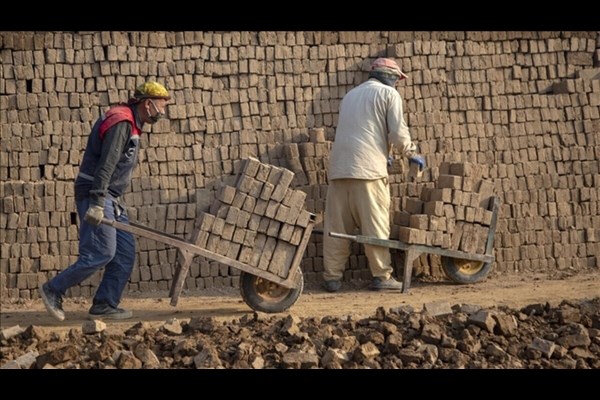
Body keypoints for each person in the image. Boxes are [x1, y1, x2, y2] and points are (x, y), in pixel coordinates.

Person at [39, 81, 171, 321]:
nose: (162, 112)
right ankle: (54, 288)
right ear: (147, 103)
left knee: (124, 252)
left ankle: (104, 303)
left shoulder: (132, 123)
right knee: (101, 253)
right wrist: (98, 203)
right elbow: (107, 164)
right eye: (161, 106)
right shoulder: (122, 123)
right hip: (96, 192)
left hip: (112, 197)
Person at [322, 58, 425, 292]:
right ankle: (381, 276)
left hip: (339, 170)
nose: (398, 84)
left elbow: (363, 129)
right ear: (390, 76)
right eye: (397, 80)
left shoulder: (350, 96)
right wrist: (411, 153)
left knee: (338, 227)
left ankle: (332, 277)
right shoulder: (389, 95)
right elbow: (398, 132)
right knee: (375, 226)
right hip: (368, 172)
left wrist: (384, 152)